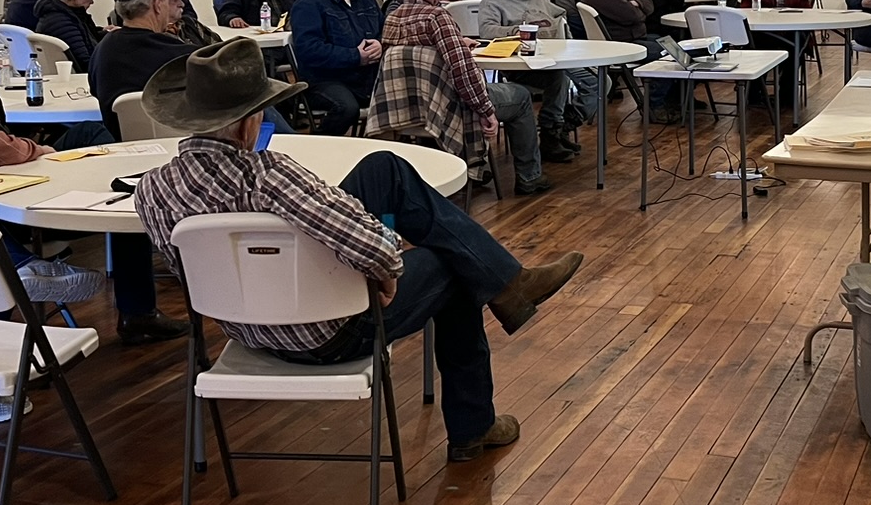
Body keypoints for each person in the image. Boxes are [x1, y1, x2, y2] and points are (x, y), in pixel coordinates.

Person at [130, 38, 583, 462]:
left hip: (247, 330)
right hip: (328, 333)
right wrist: (386, 266)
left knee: (381, 168)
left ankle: (509, 284)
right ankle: (474, 420)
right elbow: (377, 251)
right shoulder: (269, 174)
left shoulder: (151, 189)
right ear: (250, 122)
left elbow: (192, 273)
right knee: (452, 261)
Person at [0, 0, 184, 347]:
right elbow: (3, 152)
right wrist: (40, 149)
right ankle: (107, 294)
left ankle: (111, 218)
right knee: (116, 189)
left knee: (99, 151)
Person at [384, 0, 558, 190]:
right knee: (520, 96)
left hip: (406, 107)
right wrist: (485, 110)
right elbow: (462, 72)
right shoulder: (437, 18)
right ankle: (529, 176)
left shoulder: (392, 18)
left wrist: (456, 42)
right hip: (447, 106)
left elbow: (418, 56)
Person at [476, 0, 594, 156]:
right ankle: (551, 133)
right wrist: (517, 30)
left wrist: (557, 27)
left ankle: (566, 123)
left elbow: (558, 12)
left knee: (599, 81)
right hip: (521, 63)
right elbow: (487, 31)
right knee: (557, 79)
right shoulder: (492, 2)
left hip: (556, 55)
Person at [289, 0, 386, 135]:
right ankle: (319, 149)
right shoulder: (308, 4)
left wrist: (380, 44)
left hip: (367, 76)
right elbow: (309, 50)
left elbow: (384, 31)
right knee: (346, 108)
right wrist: (355, 56)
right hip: (325, 80)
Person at [579, 0, 678, 121]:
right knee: (670, 53)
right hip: (620, 45)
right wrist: (636, 5)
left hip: (632, 38)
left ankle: (670, 101)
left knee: (671, 43)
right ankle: (654, 106)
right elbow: (632, 16)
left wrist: (637, 3)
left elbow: (649, 3)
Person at [89, 0, 196, 132]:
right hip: (179, 146)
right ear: (158, 4)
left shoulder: (100, 52)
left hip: (121, 149)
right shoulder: (184, 57)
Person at [34, 0, 108, 71]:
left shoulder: (69, 14)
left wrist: (110, 35)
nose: (92, 1)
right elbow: (86, 63)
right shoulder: (62, 22)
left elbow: (87, 38)